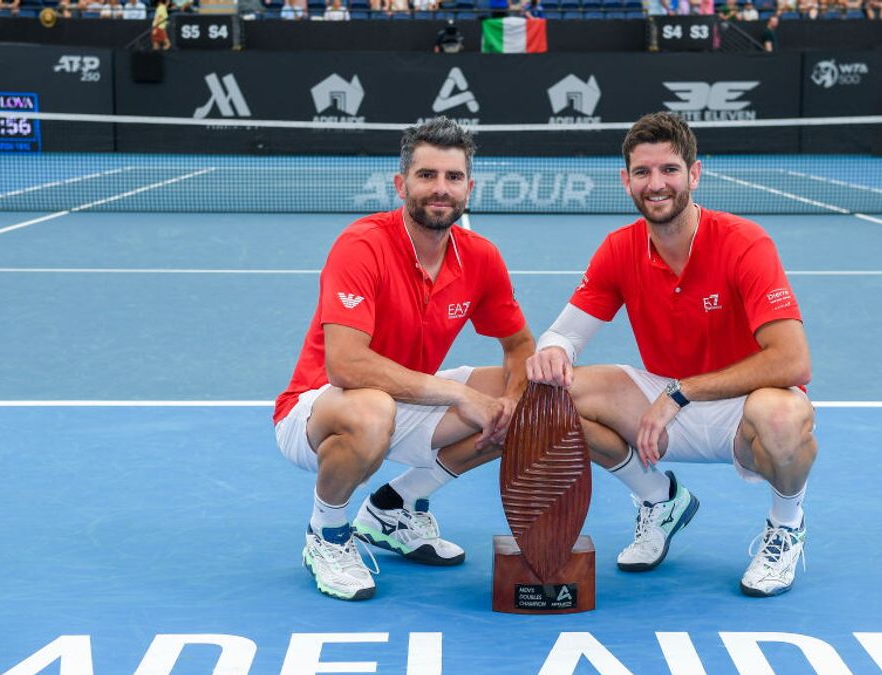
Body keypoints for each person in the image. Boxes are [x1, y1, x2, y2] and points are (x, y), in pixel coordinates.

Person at [526, 112, 816, 598]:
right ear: (626, 181)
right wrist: (552, 352)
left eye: (669, 170)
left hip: (738, 411)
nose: (655, 184)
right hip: (658, 409)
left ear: (695, 174)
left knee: (784, 413)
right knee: (553, 395)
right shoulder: (620, 249)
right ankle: (659, 500)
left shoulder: (745, 243)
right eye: (642, 172)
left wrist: (681, 393)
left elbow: (793, 362)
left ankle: (786, 525)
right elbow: (564, 334)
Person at [274, 117, 535, 602]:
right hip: (320, 409)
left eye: (453, 178)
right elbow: (347, 367)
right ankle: (326, 534)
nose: (441, 189)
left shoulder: (480, 258)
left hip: (409, 398)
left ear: (468, 187)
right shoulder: (363, 245)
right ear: (401, 184)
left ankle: (394, 507)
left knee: (532, 401)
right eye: (427, 175)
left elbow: (519, 346)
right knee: (373, 409)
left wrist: (513, 405)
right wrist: (462, 395)